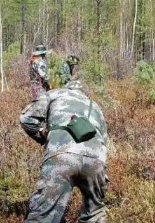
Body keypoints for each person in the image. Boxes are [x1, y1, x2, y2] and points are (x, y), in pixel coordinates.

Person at [20, 80, 108, 223]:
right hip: (96, 161)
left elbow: (26, 119)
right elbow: (104, 142)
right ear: (84, 93)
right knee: (94, 215)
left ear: (68, 88)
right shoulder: (95, 106)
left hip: (62, 156)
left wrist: (44, 136)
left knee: (43, 216)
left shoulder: (56, 93)